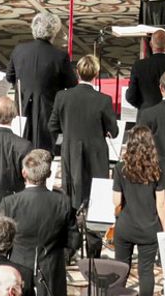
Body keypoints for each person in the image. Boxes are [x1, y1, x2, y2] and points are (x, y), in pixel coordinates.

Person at [0, 149, 78, 296]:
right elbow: (74, 238)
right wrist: (63, 254)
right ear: (49, 174)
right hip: (51, 266)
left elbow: (0, 239)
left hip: (17, 266)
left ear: (23, 173)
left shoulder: (10, 203)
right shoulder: (62, 201)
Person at [110, 125, 165, 296]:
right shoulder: (156, 169)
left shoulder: (120, 168)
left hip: (125, 226)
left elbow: (116, 201)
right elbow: (161, 204)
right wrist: (164, 229)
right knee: (146, 273)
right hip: (149, 228)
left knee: (120, 271)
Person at [49, 55, 117, 211]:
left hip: (71, 150)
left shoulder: (62, 96)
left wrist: (67, 129)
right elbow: (113, 131)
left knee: (71, 192)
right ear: (96, 74)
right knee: (97, 194)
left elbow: (52, 126)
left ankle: (73, 225)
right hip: (96, 154)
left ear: (77, 72)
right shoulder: (103, 99)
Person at [5, 12, 77, 152]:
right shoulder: (60, 56)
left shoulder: (19, 50)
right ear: (54, 32)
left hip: (22, 107)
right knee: (45, 151)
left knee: (20, 148)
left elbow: (9, 76)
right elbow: (72, 83)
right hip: (48, 111)